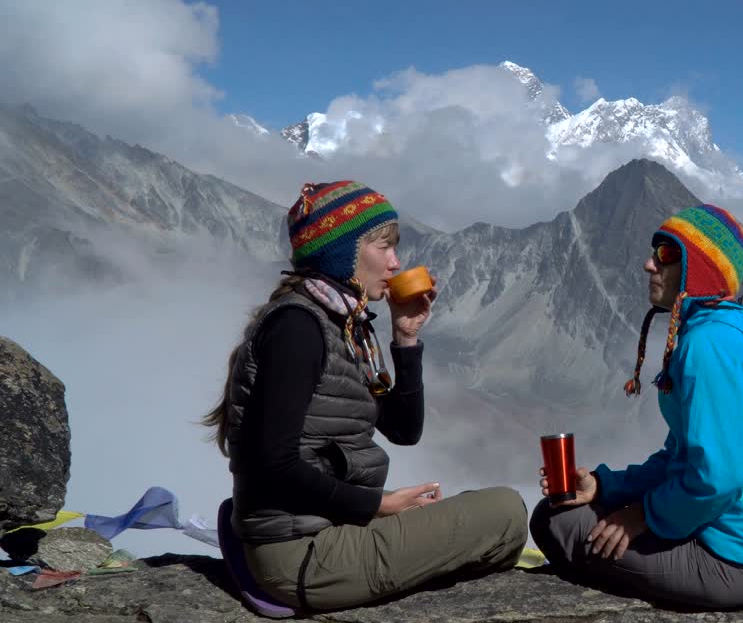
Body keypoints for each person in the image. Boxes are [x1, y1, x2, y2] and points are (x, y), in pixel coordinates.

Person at [202, 181, 527, 614]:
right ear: (342, 253)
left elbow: (403, 430)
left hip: (319, 532)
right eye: (383, 246)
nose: (395, 262)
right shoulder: (298, 329)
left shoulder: (343, 323)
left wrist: (405, 337)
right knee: (507, 512)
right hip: (303, 555)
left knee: (472, 514)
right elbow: (272, 464)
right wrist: (380, 505)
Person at [529, 204, 743, 610]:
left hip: (742, 558)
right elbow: (682, 458)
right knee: (575, 505)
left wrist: (641, 516)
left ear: (701, 271)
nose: (649, 264)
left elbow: (718, 478)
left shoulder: (710, 346)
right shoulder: (722, 331)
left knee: (556, 521)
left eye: (665, 254)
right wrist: (605, 486)